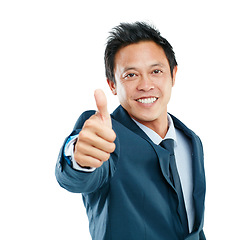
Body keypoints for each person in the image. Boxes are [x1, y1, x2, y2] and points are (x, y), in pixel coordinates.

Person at [55, 22, 206, 240]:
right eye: (131, 75)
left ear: (173, 75)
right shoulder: (106, 134)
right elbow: (77, 178)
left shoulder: (191, 140)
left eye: (156, 71)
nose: (146, 85)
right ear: (112, 84)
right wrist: (79, 158)